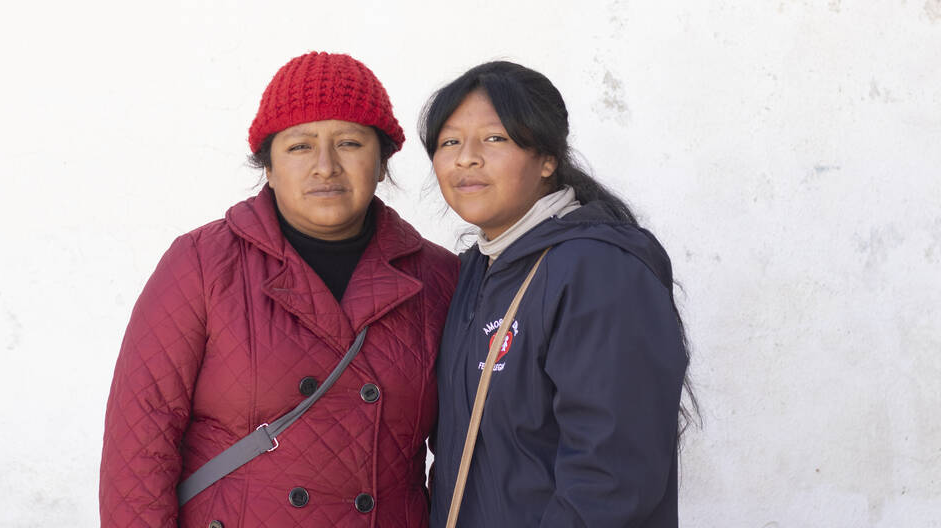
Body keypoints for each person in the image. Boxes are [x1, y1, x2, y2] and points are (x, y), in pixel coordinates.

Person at [100, 51, 458, 528]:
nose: (325, 167)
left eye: (349, 143)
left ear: (382, 162)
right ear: (267, 166)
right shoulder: (202, 264)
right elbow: (139, 444)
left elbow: (469, 453)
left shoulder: (439, 277)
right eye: (299, 146)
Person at [420, 61, 695, 527]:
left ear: (547, 159)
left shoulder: (598, 269)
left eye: (494, 138)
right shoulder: (471, 273)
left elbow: (611, 478)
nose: (466, 158)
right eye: (450, 142)